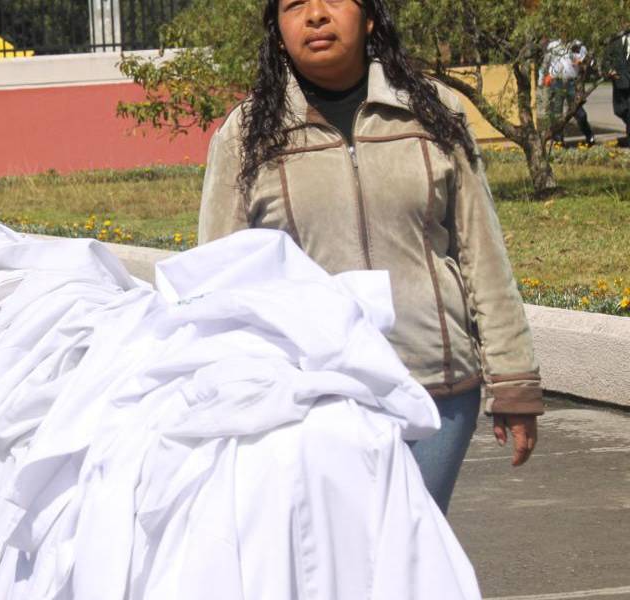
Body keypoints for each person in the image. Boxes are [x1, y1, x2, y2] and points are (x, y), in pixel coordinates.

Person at [198, 0, 541, 514]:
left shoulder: (433, 113)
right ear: (277, 29)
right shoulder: (247, 136)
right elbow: (219, 279)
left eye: (333, 0)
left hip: (435, 390)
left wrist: (514, 382)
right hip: (315, 401)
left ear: (371, 17)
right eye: (294, 6)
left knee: (414, 557)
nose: (315, 15)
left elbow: (481, 252)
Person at [541, 39, 596, 145]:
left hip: (571, 83)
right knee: (556, 112)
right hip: (556, 81)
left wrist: (582, 62)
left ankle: (589, 136)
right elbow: (546, 62)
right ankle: (558, 139)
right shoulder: (553, 45)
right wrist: (545, 76)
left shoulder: (578, 45)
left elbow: (588, 61)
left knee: (579, 112)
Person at [604, 25, 630, 146]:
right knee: (619, 110)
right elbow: (606, 59)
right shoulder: (614, 41)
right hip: (619, 81)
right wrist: (610, 70)